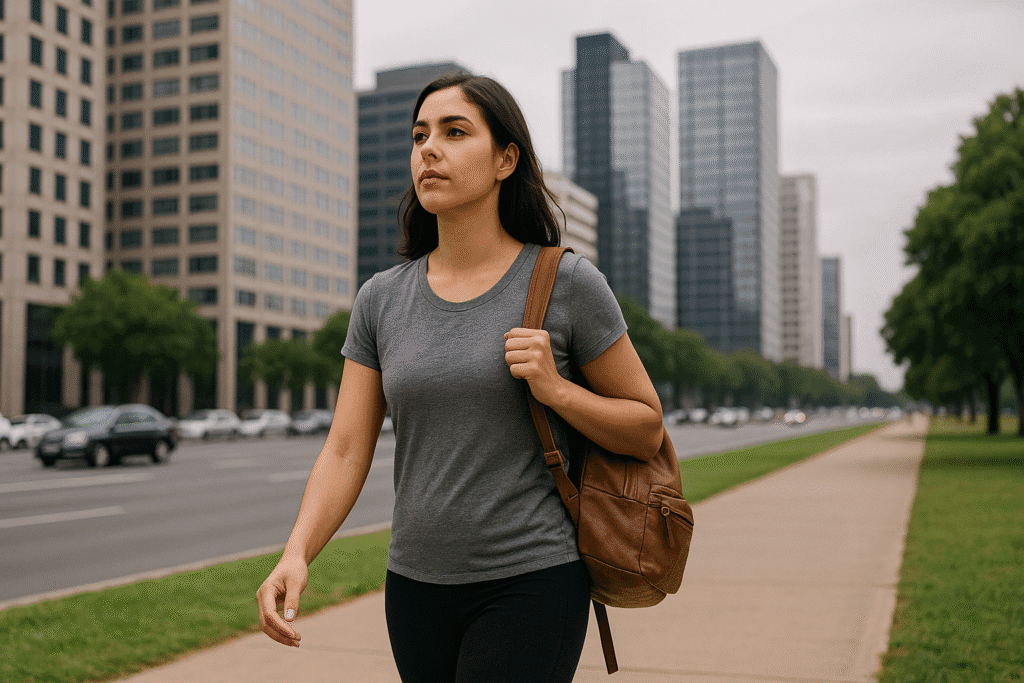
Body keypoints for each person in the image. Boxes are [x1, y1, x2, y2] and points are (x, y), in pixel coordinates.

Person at [256, 73, 665, 682]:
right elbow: (344, 449)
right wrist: (297, 552)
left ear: (505, 160)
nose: (429, 149)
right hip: (414, 587)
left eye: (454, 132)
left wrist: (557, 390)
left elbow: (646, 427)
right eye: (419, 135)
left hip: (532, 578)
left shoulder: (567, 283)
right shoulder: (380, 300)